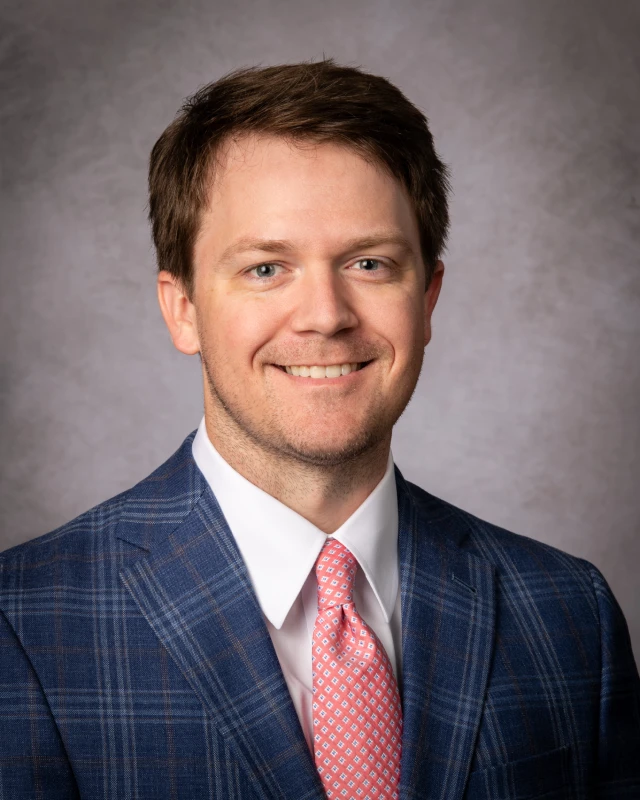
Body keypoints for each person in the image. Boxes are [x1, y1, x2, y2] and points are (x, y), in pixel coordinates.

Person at [1, 60, 638, 800]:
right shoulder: (23, 625)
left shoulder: (568, 615)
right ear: (182, 310)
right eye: (267, 269)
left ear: (427, 298)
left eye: (369, 263)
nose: (326, 315)